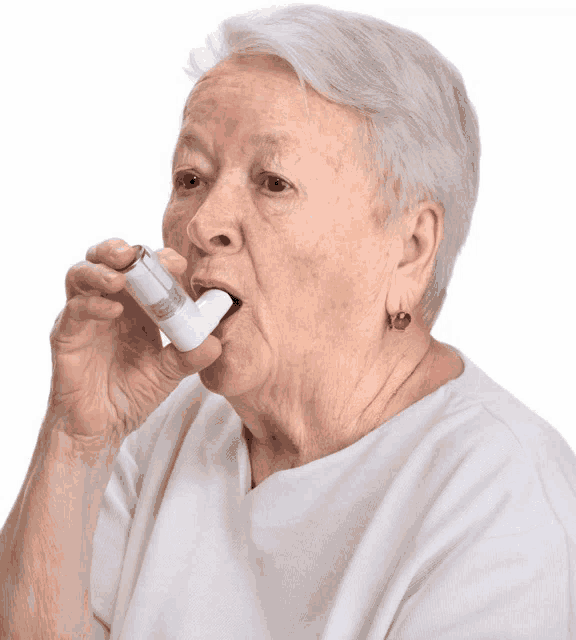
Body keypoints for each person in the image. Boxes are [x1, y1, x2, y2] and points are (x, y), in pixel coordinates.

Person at [2, 4, 575, 639]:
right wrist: (77, 440)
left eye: (273, 182)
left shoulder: (506, 505)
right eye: (190, 177)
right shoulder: (157, 423)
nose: (201, 224)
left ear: (411, 248)